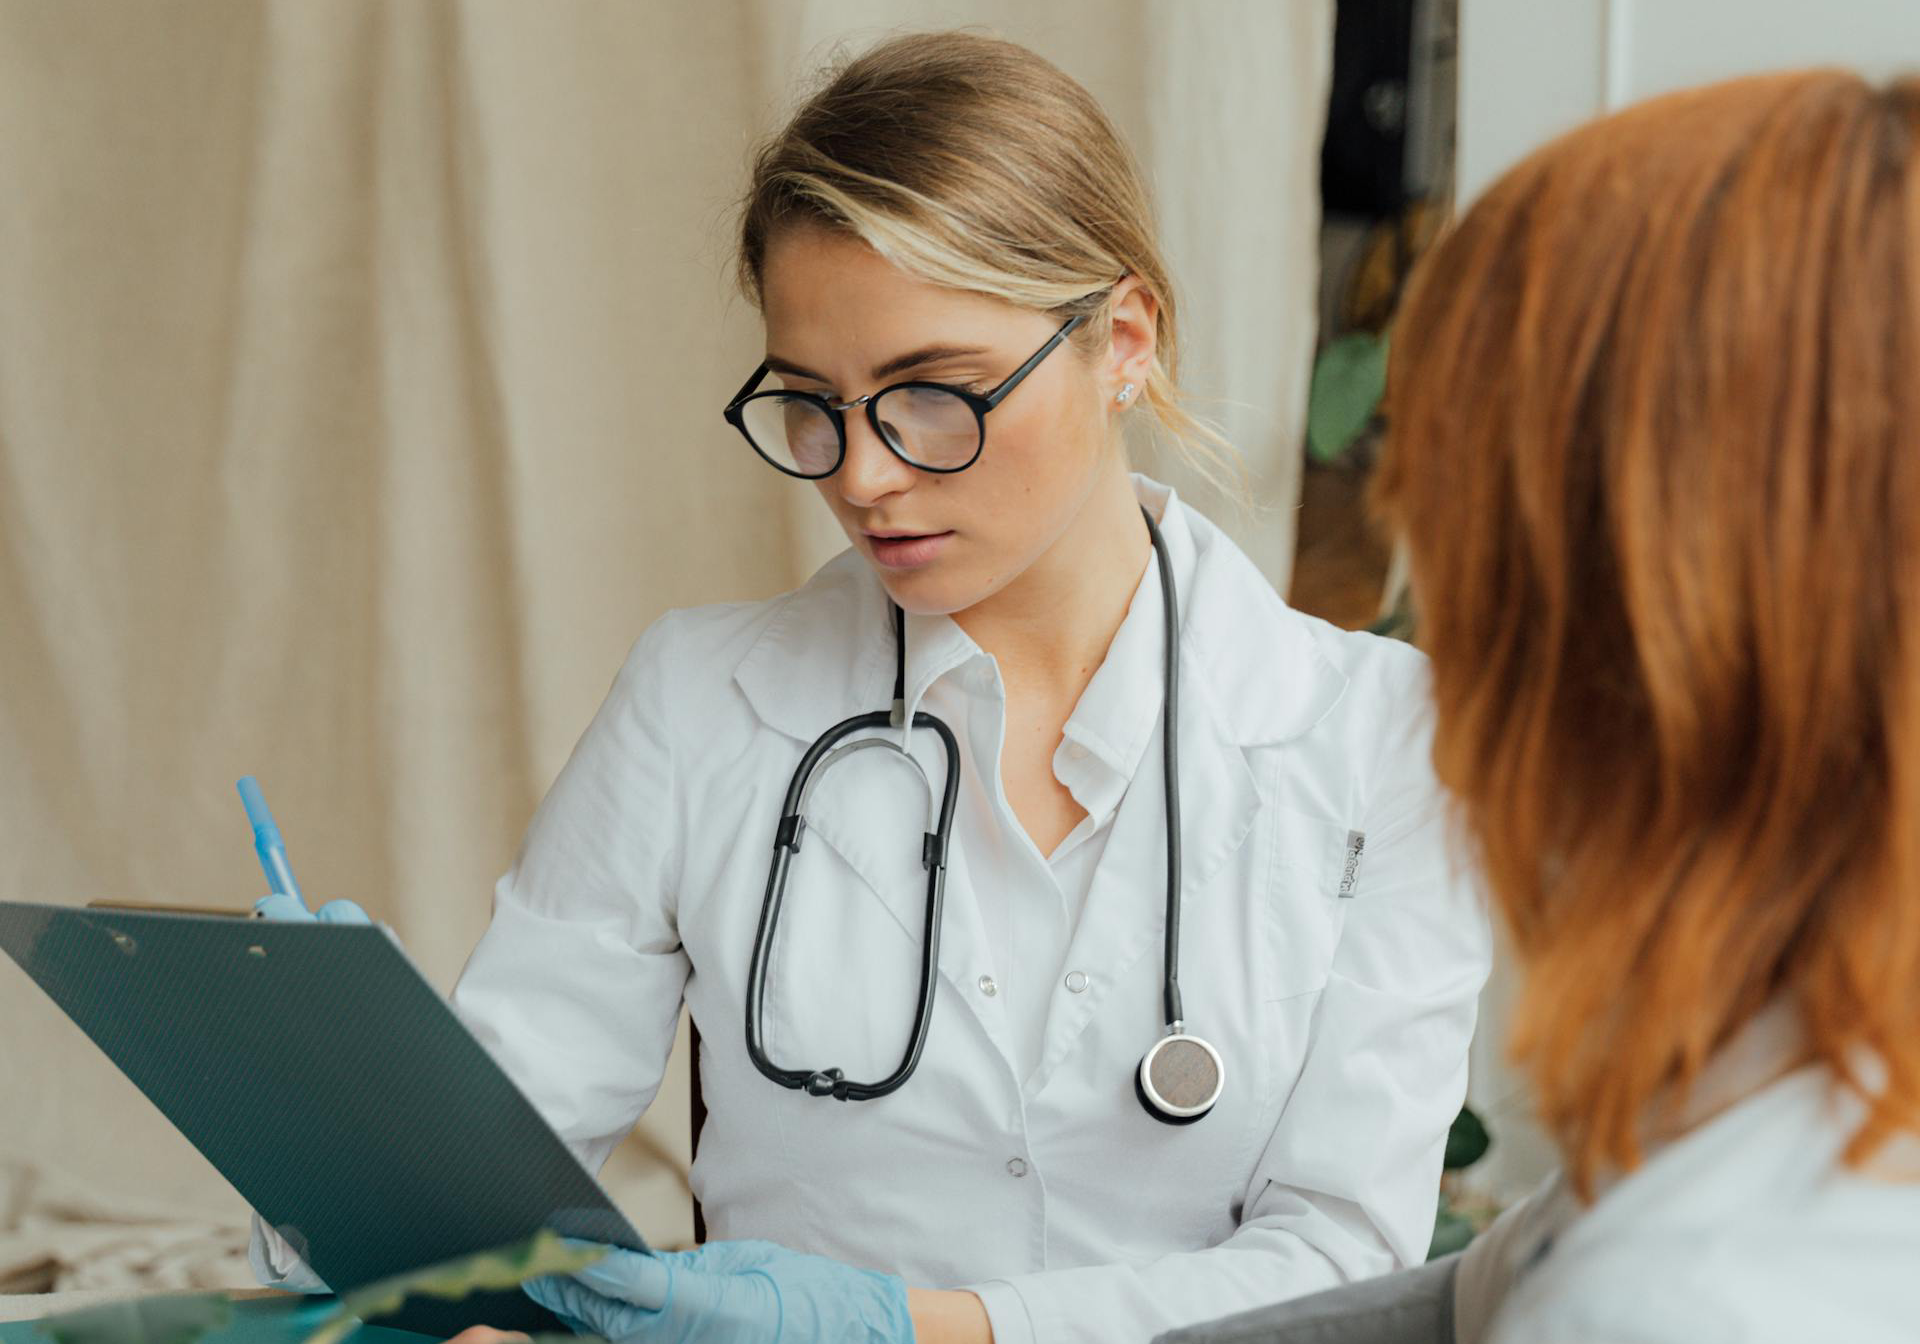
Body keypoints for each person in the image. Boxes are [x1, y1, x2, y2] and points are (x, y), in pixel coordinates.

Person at [251, 31, 1490, 1343]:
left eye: (931, 396)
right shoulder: (699, 701)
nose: (862, 476)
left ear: (1123, 339)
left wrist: (915, 1328)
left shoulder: (1380, 742)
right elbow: (452, 1220)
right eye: (810, 405)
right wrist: (361, 1109)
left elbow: (1343, 1265)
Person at [1160, 67, 1920, 1344]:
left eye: (1460, 578)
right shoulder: (1809, 1086)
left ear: (1635, 639)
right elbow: (1480, 1290)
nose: (1449, 723)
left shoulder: (1695, 1299)